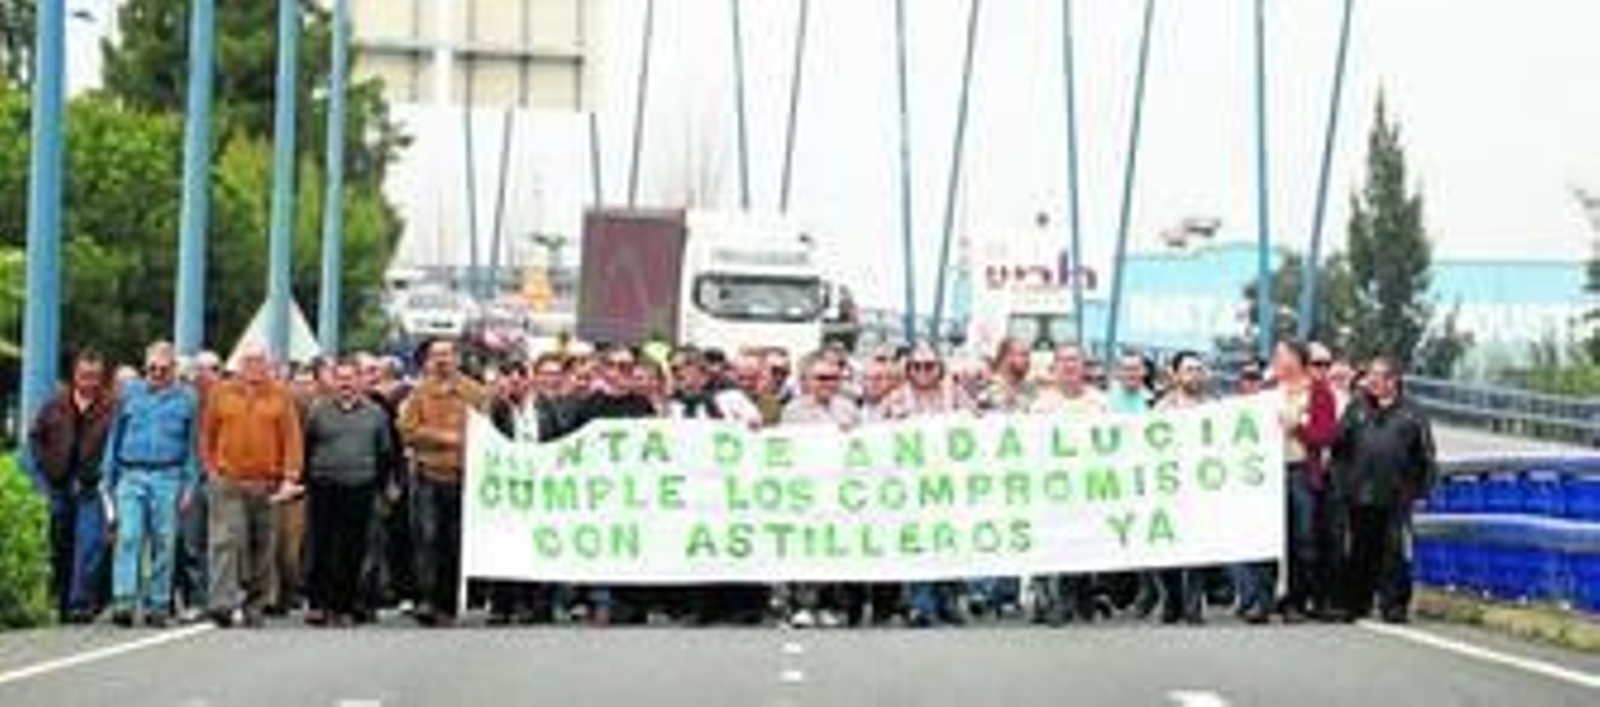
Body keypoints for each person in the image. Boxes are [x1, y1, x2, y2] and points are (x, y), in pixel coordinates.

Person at [200, 346, 304, 628]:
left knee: (262, 546)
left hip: (267, 484)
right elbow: (207, 435)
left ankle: (254, 604)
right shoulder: (221, 393)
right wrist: (211, 470)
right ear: (239, 365)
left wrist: (290, 476)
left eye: (259, 362)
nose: (254, 367)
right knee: (226, 541)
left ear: (268, 365)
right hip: (228, 481)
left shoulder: (280, 395)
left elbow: (292, 438)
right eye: (248, 361)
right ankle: (222, 603)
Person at [102, 342, 203, 627]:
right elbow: (115, 437)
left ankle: (157, 604)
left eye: (163, 369)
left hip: (168, 476)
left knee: (164, 541)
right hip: (131, 473)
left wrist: (189, 485)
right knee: (129, 537)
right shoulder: (129, 393)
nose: (157, 374)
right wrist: (108, 477)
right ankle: (124, 600)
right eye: (152, 368)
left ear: (174, 369)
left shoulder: (188, 399)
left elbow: (192, 447)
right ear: (145, 367)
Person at [1330, 356, 1437, 623]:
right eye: (1371, 376)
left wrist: (1423, 491)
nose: (1372, 381)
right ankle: (1356, 602)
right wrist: (1342, 482)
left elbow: (1426, 455)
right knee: (1360, 549)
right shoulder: (1357, 407)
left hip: (1397, 494)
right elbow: (1338, 445)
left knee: (1394, 551)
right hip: (1360, 492)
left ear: (1393, 380)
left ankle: (1394, 605)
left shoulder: (1413, 412)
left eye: (1379, 376)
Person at [397, 338, 489, 627]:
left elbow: (486, 431)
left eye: (447, 354)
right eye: (436, 355)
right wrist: (443, 437)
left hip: (463, 478)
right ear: (428, 361)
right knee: (427, 539)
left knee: (454, 541)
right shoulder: (419, 394)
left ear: (457, 358)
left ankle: (448, 604)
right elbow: (406, 430)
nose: (442, 360)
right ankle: (427, 599)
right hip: (428, 476)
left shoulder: (475, 393)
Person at [887, 343, 976, 627]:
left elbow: (977, 425)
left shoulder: (956, 395)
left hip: (948, 483)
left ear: (940, 368)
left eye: (929, 366)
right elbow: (878, 433)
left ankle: (947, 600)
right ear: (908, 369)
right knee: (919, 543)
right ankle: (920, 604)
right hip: (912, 485)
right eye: (916, 366)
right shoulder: (897, 397)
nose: (923, 371)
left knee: (949, 541)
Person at [28, 349, 117, 623]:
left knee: (90, 543)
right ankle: (59, 599)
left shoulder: (111, 406)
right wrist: (42, 471)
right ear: (74, 375)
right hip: (57, 484)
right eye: (84, 376)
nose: (89, 382)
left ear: (102, 377)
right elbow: (35, 437)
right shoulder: (55, 404)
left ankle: (81, 604)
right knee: (58, 541)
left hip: (91, 486)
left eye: (95, 376)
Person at [302, 359, 393, 627]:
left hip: (360, 485)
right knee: (322, 546)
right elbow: (308, 445)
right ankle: (319, 603)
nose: (345, 384)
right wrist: (306, 481)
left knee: (353, 547)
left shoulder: (376, 413)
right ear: (333, 381)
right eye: (340, 378)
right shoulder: (318, 410)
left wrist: (384, 487)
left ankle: (345, 605)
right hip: (324, 484)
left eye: (350, 378)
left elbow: (385, 452)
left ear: (360, 381)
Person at [780, 351, 861, 628]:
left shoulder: (849, 409)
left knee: (833, 548)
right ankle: (801, 604)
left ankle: (829, 604)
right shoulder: (793, 411)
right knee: (804, 548)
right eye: (822, 378)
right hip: (806, 488)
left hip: (838, 488)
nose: (828, 383)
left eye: (834, 378)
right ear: (808, 381)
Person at [1028, 343, 1108, 625]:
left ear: (1084, 367)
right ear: (1054, 368)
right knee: (1059, 541)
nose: (1069, 365)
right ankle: (1059, 599)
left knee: (1085, 540)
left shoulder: (1100, 403)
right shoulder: (1041, 406)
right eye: (1063, 360)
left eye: (1074, 360)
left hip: (1090, 481)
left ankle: (1082, 595)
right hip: (1055, 484)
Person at [1269, 340, 1339, 622]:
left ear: (1297, 359)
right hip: (1270, 473)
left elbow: (1326, 436)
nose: (1276, 359)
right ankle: (1271, 597)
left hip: (1301, 471)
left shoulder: (1320, 393)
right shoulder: (1269, 392)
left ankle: (1298, 600)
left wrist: (1296, 427)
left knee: (1304, 537)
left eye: (1281, 355)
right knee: (1276, 537)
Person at [1152, 351, 1211, 626]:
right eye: (1189, 370)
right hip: (1170, 485)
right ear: (1176, 375)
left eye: (1198, 369)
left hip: (1201, 486)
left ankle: (1193, 602)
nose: (1194, 375)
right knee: (1168, 546)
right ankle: (1173, 596)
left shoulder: (1214, 408)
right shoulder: (1162, 408)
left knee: (1198, 544)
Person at [174, 350, 223, 623]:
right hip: (191, 480)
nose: (206, 375)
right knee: (190, 543)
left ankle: (220, 599)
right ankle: (195, 599)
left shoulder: (228, 401)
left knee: (221, 543)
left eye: (212, 369)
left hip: (222, 480)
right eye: (200, 370)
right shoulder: (187, 402)